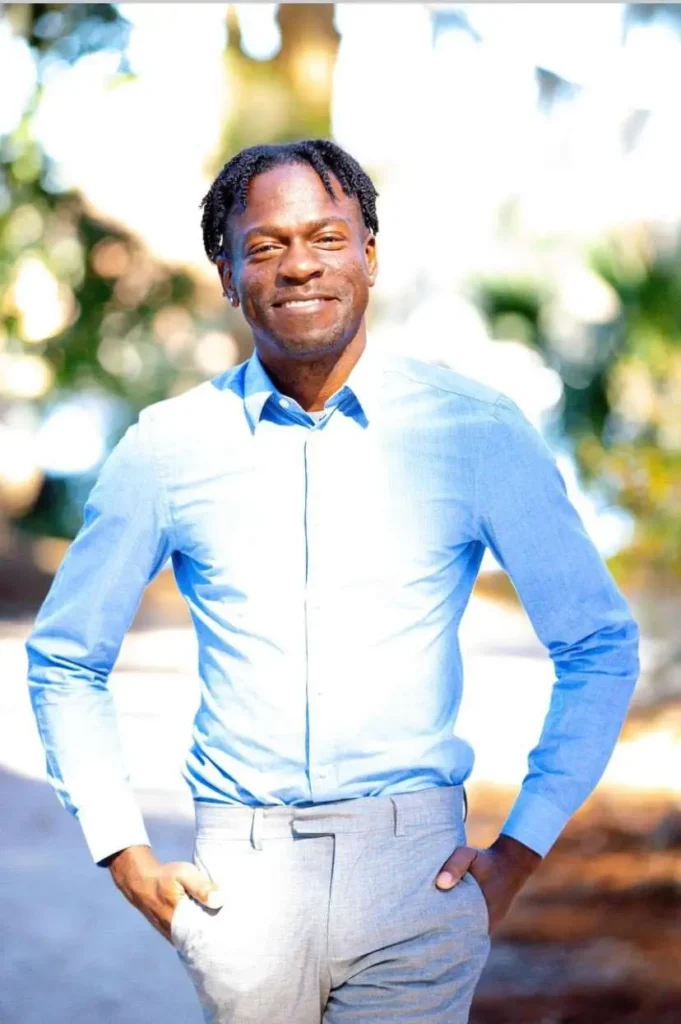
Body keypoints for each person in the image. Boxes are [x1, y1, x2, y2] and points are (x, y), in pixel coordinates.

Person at [26, 139, 640, 1024]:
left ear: (369, 256)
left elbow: (598, 643)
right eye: (265, 246)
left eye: (326, 236)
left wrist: (517, 853)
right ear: (228, 275)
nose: (299, 264)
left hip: (414, 880)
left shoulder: (474, 431)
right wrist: (124, 854)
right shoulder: (167, 448)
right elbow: (65, 658)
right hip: (241, 887)